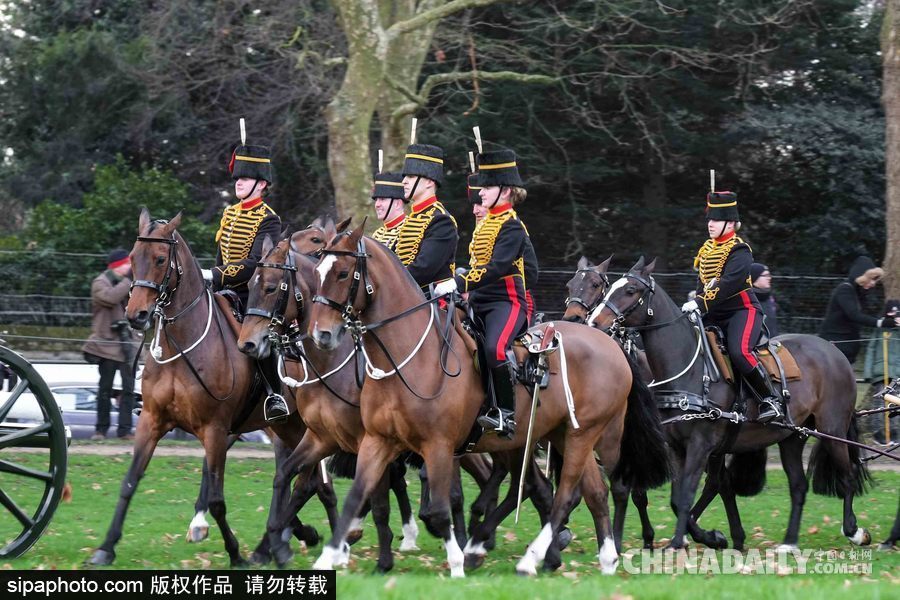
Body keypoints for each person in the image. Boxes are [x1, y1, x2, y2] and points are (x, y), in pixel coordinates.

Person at [435, 149, 530, 438]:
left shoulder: (513, 227)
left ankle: (505, 413)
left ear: (507, 191)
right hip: (478, 302)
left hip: (506, 302)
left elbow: (497, 267)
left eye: (487, 187)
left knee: (494, 349)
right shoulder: (485, 225)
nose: (482, 193)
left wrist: (458, 283)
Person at [681, 191, 783, 423]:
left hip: (742, 311)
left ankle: (770, 399)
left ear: (730, 223)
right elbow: (702, 283)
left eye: (715, 220)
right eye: (709, 219)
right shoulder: (706, 250)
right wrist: (695, 305)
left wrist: (699, 303)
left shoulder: (740, 250)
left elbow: (729, 284)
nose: (710, 224)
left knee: (739, 351)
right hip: (713, 313)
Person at [213, 129, 286, 422]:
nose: (238, 182)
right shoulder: (229, 214)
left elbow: (256, 263)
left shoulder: (268, 218)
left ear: (262, 184)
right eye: (237, 178)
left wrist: (217, 276)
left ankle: (273, 394)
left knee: (259, 334)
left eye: (245, 177)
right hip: (221, 289)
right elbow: (221, 256)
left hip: (250, 293)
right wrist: (212, 279)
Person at [82, 249, 138, 440]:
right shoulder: (100, 282)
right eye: (128, 264)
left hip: (127, 343)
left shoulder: (129, 283)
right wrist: (129, 282)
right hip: (106, 344)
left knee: (129, 390)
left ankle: (125, 430)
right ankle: (101, 430)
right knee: (104, 389)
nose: (131, 267)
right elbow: (110, 297)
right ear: (118, 265)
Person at [397, 142, 459, 294]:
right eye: (405, 176)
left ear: (429, 182)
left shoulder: (441, 220)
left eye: (410, 177)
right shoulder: (410, 219)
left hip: (433, 297)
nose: (404, 181)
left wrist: (390, 284)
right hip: (407, 294)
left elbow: (425, 268)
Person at [819, 256, 897, 365]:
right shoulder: (844, 289)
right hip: (834, 343)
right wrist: (882, 323)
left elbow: (866, 315)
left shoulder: (859, 293)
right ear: (861, 275)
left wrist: (888, 318)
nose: (873, 283)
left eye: (875, 280)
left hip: (849, 345)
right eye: (871, 279)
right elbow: (854, 315)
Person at [862, 299, 900, 444]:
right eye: (893, 313)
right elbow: (871, 349)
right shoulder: (880, 328)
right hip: (880, 373)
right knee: (878, 403)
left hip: (896, 374)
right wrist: (868, 373)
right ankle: (878, 433)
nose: (895, 317)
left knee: (895, 403)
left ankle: (895, 432)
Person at [371, 171, 407, 252]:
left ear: (398, 204)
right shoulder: (377, 235)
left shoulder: (408, 231)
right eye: (376, 200)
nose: (377, 204)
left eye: (382, 199)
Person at [750, 263, 779, 337]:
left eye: (769, 275)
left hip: (772, 341)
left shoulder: (770, 298)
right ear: (754, 277)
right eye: (765, 275)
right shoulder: (746, 298)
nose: (769, 278)